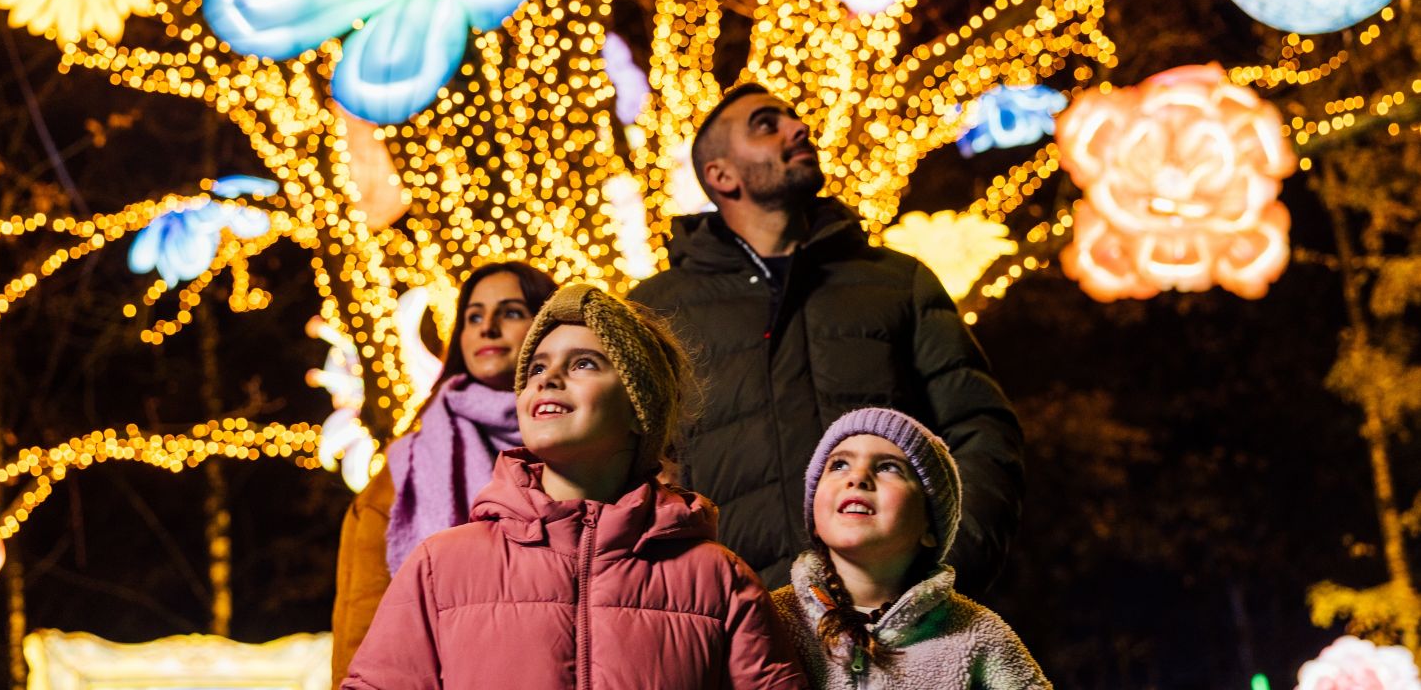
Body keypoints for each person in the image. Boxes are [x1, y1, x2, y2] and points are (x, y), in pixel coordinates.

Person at [629, 83, 1024, 594]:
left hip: (894, 627)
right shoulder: (656, 309)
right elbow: (627, 471)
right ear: (720, 175)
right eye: (766, 125)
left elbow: (979, 429)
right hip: (734, 630)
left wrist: (944, 573)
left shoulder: (898, 282)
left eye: (793, 119)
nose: (798, 129)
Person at [343, 284, 808, 690]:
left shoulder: (718, 578)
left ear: (638, 409)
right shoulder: (440, 565)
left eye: (584, 363)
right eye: (537, 369)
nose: (549, 379)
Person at [330, 262, 557, 688]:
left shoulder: (585, 451)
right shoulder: (407, 471)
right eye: (473, 316)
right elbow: (365, 628)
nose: (486, 328)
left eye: (509, 312)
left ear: (548, 327)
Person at [771, 408, 1049, 689]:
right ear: (815, 520)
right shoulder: (769, 618)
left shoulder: (978, 635)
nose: (858, 477)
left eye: (888, 467)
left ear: (930, 527)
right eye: (839, 465)